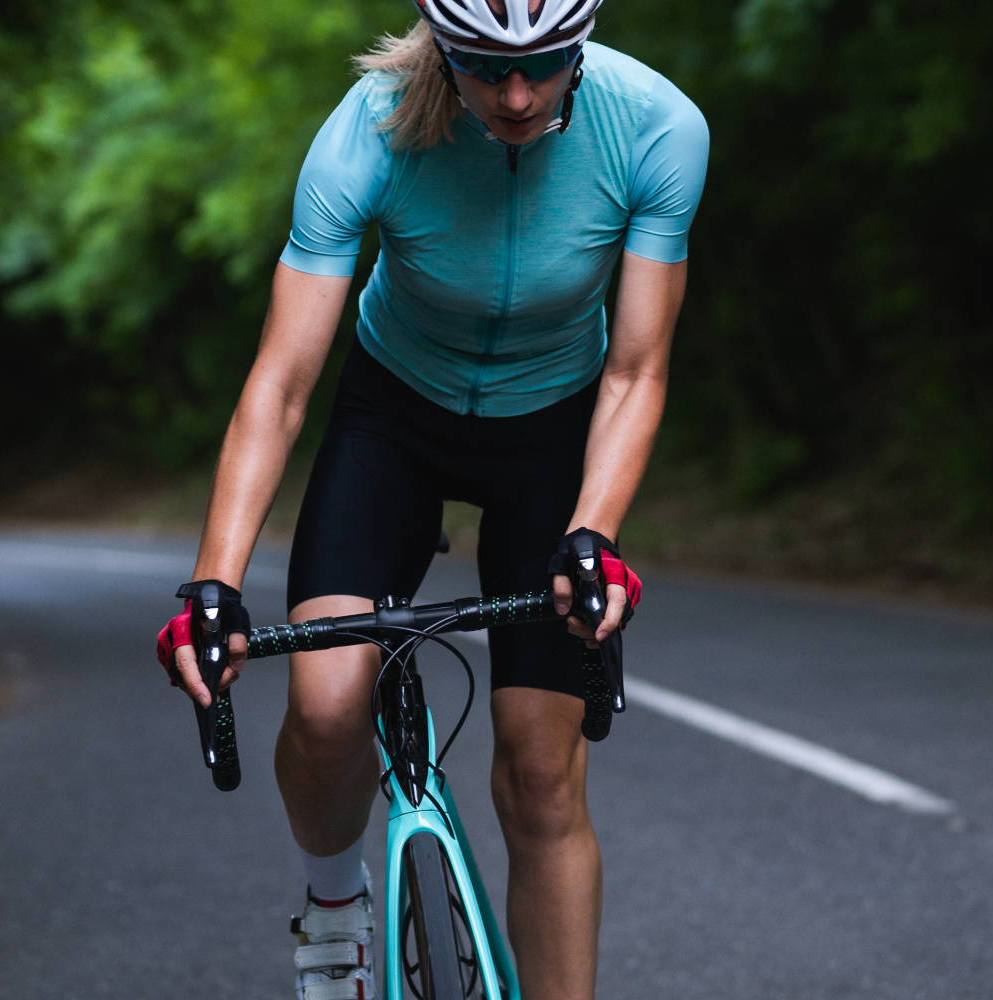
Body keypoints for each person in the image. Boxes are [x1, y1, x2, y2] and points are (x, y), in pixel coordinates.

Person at [155, 0, 706, 996]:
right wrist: (212, 582)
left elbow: (635, 371)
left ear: (579, 45)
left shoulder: (657, 127)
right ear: (436, 48)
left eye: (542, 64)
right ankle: (333, 908)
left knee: (541, 777)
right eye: (483, 65)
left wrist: (595, 532)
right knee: (326, 706)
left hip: (551, 432)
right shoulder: (365, 131)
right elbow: (281, 386)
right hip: (392, 421)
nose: (515, 95)